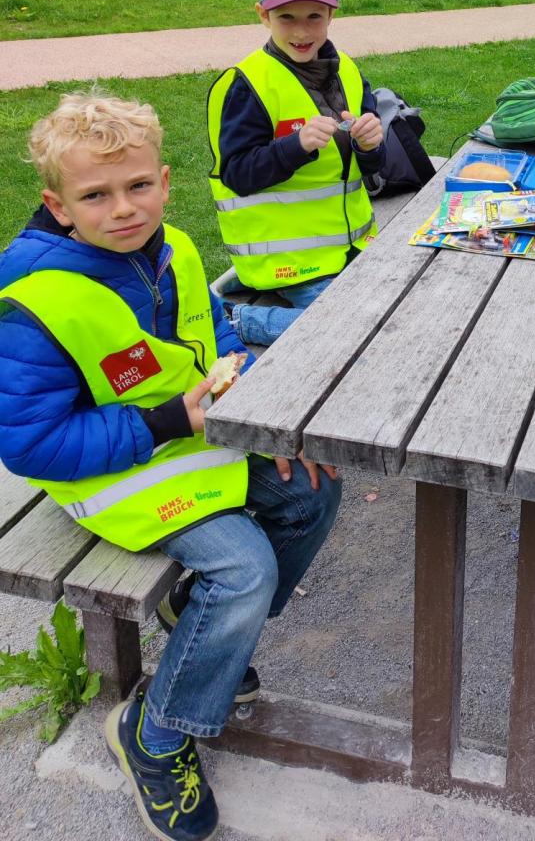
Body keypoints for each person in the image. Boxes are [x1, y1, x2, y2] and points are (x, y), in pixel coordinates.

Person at [0, 92, 340, 841]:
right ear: (58, 206)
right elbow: (27, 442)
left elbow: (218, 345)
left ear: (165, 179)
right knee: (245, 569)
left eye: (139, 186)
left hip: (186, 436)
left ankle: (197, 625)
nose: (124, 209)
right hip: (105, 474)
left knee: (312, 488)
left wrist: (267, 418)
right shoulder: (34, 296)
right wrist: (168, 421)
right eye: (96, 195)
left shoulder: (176, 248)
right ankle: (155, 737)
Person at [207, 0, 386, 347]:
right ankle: (240, 320)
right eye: (286, 17)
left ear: (332, 15)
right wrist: (295, 147)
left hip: (352, 246)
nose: (301, 32)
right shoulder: (247, 84)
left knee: (403, 305)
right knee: (347, 334)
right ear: (262, 15)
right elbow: (236, 175)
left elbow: (371, 167)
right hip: (288, 263)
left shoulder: (350, 72)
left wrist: (372, 144)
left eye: (314, 17)